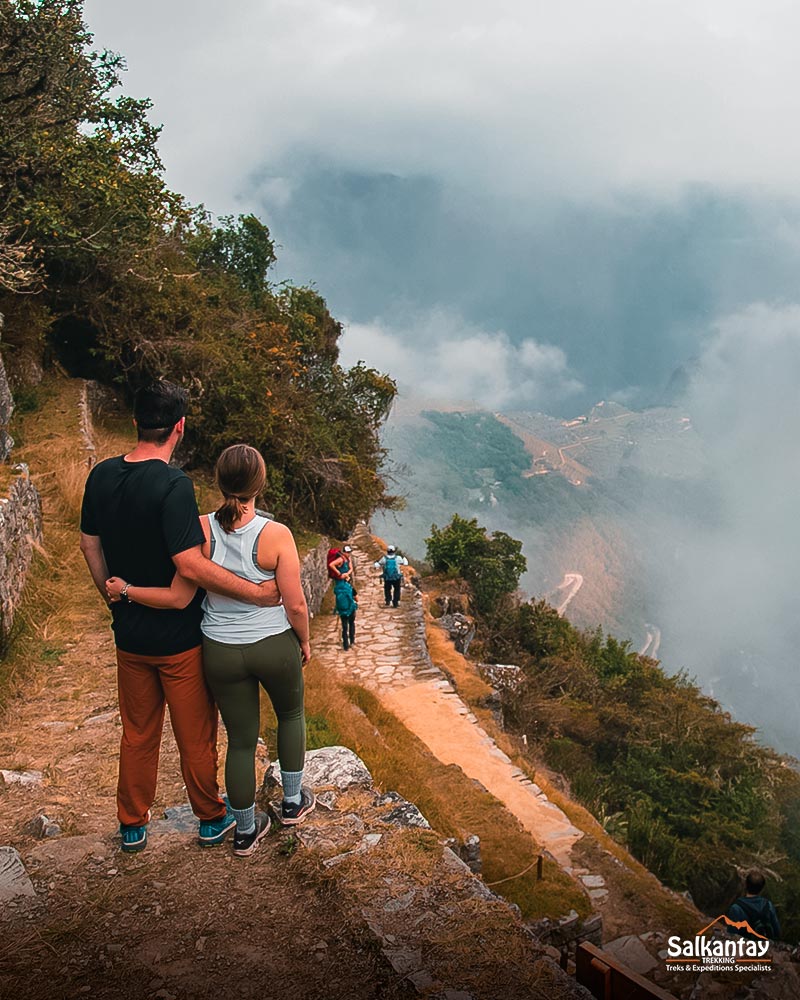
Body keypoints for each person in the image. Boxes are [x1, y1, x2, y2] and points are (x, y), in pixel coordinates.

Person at [80, 381, 282, 853]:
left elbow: (90, 543)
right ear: (180, 427)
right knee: (195, 734)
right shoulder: (174, 486)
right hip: (178, 639)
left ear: (135, 422)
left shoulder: (101, 476)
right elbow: (189, 564)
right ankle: (211, 819)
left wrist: (116, 595)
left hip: (129, 636)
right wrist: (256, 593)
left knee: (137, 733)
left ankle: (132, 824)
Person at [107, 443, 315, 858]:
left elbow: (183, 585)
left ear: (218, 481)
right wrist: (305, 639)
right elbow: (294, 603)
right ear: (261, 483)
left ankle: (243, 830)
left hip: (220, 648)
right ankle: (292, 803)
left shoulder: (199, 529)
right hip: (273, 643)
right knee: (291, 715)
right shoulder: (276, 535)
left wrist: (125, 591)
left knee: (240, 740)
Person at [726, 870, 781, 941]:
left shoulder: (736, 908)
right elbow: (777, 932)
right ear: (762, 888)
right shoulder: (768, 905)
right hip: (763, 947)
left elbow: (731, 936)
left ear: (745, 885)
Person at [334, 577, 358, 650]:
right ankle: (352, 641)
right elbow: (357, 599)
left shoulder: (337, 588)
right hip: (350, 609)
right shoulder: (350, 588)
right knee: (351, 624)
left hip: (342, 610)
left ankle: (345, 645)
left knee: (344, 627)